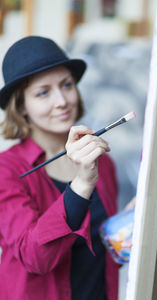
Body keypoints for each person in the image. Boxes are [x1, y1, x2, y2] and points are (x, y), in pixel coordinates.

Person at [0, 36, 119, 300]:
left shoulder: (102, 161)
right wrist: (81, 185)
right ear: (21, 106)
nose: (62, 101)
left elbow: (102, 245)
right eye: (43, 92)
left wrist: (128, 221)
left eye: (66, 85)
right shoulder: (6, 170)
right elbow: (35, 257)